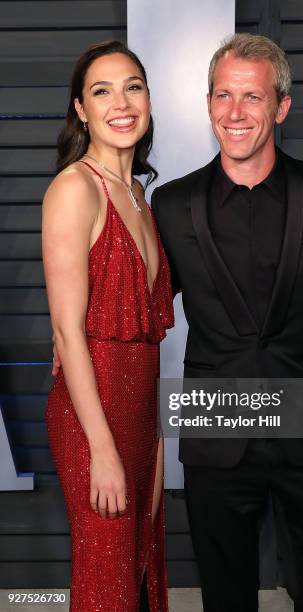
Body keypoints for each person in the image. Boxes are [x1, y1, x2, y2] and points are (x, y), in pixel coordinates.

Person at [150, 34, 303, 611]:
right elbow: (146, 309)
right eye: (223, 96)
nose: (235, 113)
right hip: (214, 430)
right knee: (225, 596)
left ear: (281, 106)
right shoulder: (170, 205)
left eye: (252, 98)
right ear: (207, 104)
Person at [43, 40, 173, 612]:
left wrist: (156, 436)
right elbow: (69, 333)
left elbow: (146, 340)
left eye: (133, 86)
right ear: (81, 110)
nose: (121, 102)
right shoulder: (75, 189)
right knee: (107, 582)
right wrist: (102, 447)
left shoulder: (140, 195)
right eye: (102, 91)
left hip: (140, 412)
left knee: (140, 569)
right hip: (91, 417)